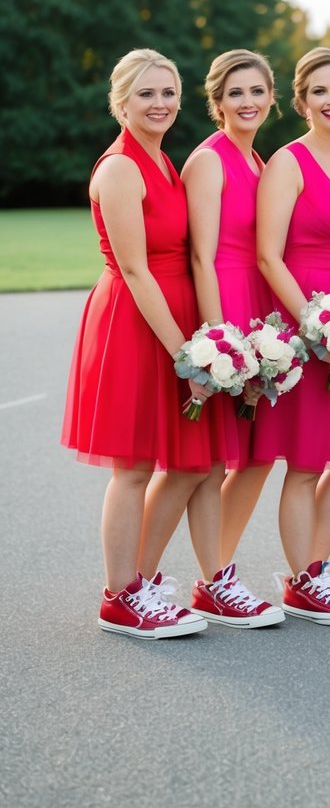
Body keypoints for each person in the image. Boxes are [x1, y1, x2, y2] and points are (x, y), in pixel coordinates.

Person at [61, 48, 209, 639]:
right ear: (120, 101)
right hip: (133, 319)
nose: (160, 104)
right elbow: (136, 270)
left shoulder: (163, 159)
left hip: (168, 315)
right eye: (146, 94)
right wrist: (187, 355)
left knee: (178, 461)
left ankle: (139, 584)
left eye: (168, 92)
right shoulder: (120, 167)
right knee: (132, 466)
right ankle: (119, 597)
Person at [152, 49, 284, 628]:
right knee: (199, 460)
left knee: (244, 455)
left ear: (272, 97)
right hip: (224, 308)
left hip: (258, 307)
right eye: (235, 93)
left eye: (257, 91)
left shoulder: (259, 159)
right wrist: (220, 340)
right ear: (217, 102)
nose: (247, 102)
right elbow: (201, 257)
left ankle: (215, 576)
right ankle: (142, 576)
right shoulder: (210, 161)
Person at [255, 47, 330, 624]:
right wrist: (315, 323)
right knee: (305, 462)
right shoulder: (289, 162)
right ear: (301, 102)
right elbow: (267, 254)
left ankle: (313, 569)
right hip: (307, 323)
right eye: (319, 91)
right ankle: (305, 579)